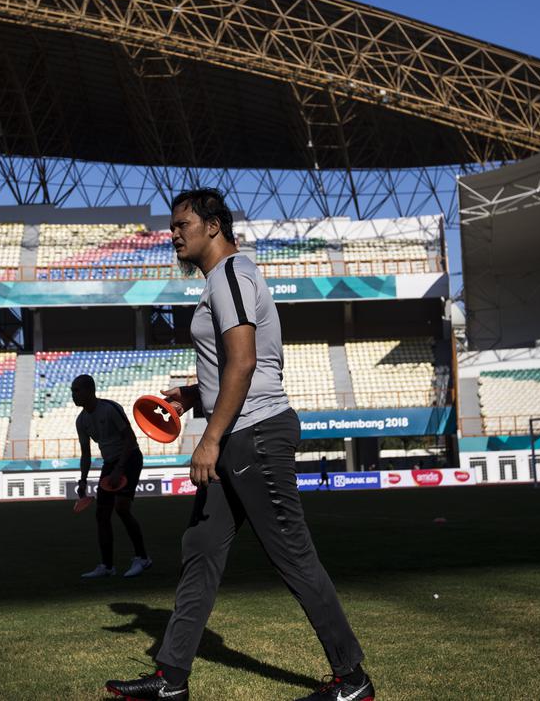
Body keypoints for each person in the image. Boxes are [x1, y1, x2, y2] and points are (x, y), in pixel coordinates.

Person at [105, 189, 371, 701]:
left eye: (182, 224)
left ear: (213, 226)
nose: (174, 234)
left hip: (255, 436)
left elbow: (245, 365)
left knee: (293, 556)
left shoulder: (229, 276)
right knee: (201, 549)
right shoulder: (222, 280)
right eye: (171, 226)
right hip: (238, 433)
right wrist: (191, 395)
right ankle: (171, 679)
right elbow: (234, 366)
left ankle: (353, 679)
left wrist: (207, 440)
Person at [73, 374, 152, 579]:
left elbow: (130, 439)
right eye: (73, 391)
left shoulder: (110, 408)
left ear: (90, 391)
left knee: (122, 508)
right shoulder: (81, 420)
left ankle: (142, 558)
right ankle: (107, 566)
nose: (74, 394)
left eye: (77, 390)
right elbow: (86, 454)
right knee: (101, 514)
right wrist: (83, 480)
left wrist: (120, 468)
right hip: (110, 464)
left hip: (130, 458)